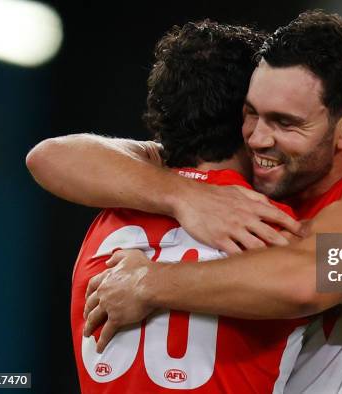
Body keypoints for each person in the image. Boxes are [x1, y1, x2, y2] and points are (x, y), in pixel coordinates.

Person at [27, 10, 342, 394]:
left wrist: (154, 281)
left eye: (285, 123)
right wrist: (184, 195)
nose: (259, 138)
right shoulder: (231, 191)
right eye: (250, 114)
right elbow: (51, 155)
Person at [65, 21, 308, 393]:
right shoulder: (279, 228)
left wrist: (153, 282)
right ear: (250, 117)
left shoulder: (107, 219)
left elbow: (44, 155)